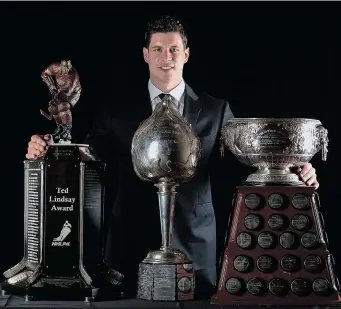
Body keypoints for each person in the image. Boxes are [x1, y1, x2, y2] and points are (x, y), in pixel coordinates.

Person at [26, 15, 319, 298]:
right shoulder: (118, 109)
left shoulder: (216, 110)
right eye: (158, 49)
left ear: (186, 54)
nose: (166, 56)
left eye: (174, 49)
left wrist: (290, 170)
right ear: (145, 54)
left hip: (195, 250)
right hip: (130, 248)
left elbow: (243, 160)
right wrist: (51, 148)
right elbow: (89, 158)